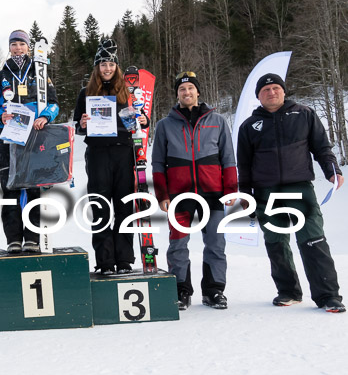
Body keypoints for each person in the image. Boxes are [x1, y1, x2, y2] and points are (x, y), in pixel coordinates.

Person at [237, 73, 345, 313]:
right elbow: (243, 164)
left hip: (300, 188)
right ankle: (288, 291)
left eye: (276, 88)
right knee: (276, 243)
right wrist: (246, 194)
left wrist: (332, 170)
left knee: (313, 239)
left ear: (284, 91)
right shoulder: (249, 126)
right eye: (266, 90)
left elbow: (322, 148)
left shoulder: (304, 114)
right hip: (266, 191)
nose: (272, 92)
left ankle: (328, 295)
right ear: (258, 96)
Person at [152, 72, 237, 310]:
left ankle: (214, 291)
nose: (186, 92)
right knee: (178, 244)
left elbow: (228, 158)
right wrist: (162, 194)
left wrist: (231, 189)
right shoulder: (165, 125)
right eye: (182, 89)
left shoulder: (217, 121)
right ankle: (181, 290)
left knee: (216, 243)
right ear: (177, 94)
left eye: (190, 88)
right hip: (179, 195)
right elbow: (157, 163)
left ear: (198, 92)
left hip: (213, 193)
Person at [73, 39, 148, 274]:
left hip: (123, 152)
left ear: (117, 68)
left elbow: (140, 121)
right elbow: (78, 126)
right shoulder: (86, 93)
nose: (107, 69)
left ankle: (124, 260)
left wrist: (144, 119)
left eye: (111, 65)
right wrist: (82, 123)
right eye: (103, 64)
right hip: (97, 154)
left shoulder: (127, 92)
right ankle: (105, 261)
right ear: (97, 67)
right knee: (101, 206)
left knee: (124, 207)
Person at [0, 29, 59, 253]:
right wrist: (0, 116)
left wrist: (46, 116)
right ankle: (13, 239)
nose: (18, 48)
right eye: (14, 44)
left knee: (34, 189)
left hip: (34, 137)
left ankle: (32, 238)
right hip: (7, 138)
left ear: (29, 47)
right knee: (9, 190)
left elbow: (54, 103)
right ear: (9, 47)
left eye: (22, 44)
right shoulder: (0, 76)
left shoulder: (40, 71)